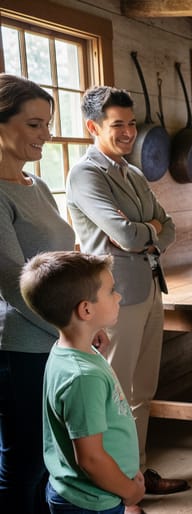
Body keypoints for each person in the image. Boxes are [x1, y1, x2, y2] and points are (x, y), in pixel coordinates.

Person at [66, 86, 187, 511]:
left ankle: (137, 474)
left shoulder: (133, 174)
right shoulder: (85, 175)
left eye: (131, 123)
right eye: (118, 124)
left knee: (142, 391)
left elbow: (168, 227)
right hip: (111, 297)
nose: (129, 132)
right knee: (114, 395)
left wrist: (147, 231)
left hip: (150, 288)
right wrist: (147, 230)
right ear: (93, 126)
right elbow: (125, 235)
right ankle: (118, 490)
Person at [0, 74, 76, 514]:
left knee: (51, 460)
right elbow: (12, 280)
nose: (46, 134)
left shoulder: (38, 186)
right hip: (19, 346)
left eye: (47, 124)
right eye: (34, 125)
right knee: (24, 464)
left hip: (55, 338)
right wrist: (70, 327)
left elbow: (60, 258)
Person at [20, 251, 145, 514]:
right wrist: (129, 491)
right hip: (92, 501)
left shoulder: (66, 350)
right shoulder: (82, 377)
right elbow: (91, 459)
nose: (119, 296)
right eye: (111, 291)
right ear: (86, 309)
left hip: (87, 493)